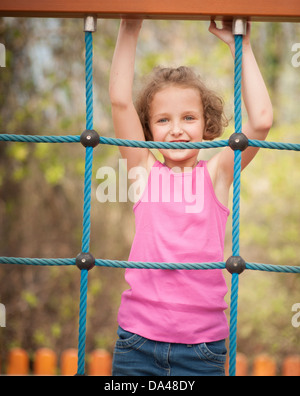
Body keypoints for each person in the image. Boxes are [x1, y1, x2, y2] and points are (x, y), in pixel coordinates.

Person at [109, 19, 273, 376]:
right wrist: (130, 26)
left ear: (207, 126)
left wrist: (239, 45)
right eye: (163, 120)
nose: (178, 129)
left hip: (202, 351)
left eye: (188, 117)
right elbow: (120, 102)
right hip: (137, 343)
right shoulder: (142, 172)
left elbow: (260, 121)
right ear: (148, 130)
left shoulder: (217, 175)